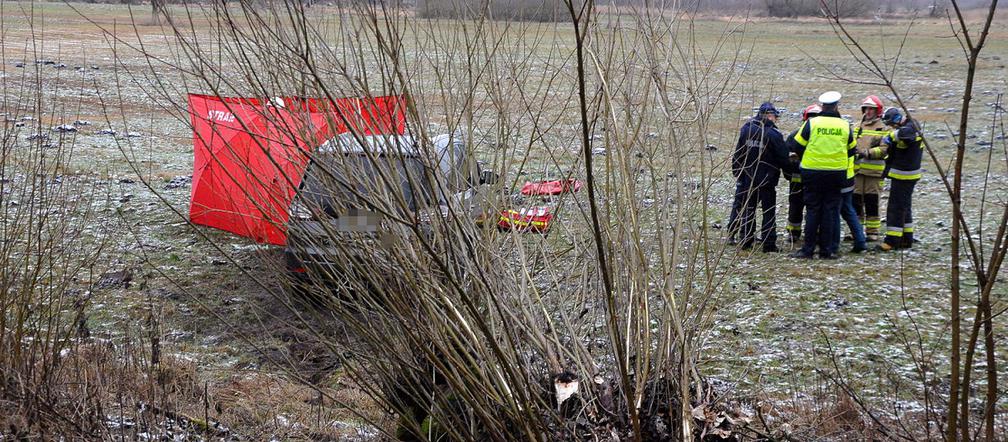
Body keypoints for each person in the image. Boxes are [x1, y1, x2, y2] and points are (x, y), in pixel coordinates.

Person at [788, 91, 856, 259]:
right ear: (836, 106)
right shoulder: (844, 125)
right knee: (829, 211)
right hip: (836, 173)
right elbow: (851, 149)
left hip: (812, 172)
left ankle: (808, 249)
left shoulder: (812, 123)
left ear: (823, 106)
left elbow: (796, 144)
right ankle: (827, 250)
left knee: (813, 210)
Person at [728, 102, 789, 252]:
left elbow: (739, 153)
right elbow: (783, 158)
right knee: (768, 211)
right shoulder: (774, 135)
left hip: (748, 177)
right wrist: (790, 172)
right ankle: (769, 244)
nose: (776, 120)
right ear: (769, 115)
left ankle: (746, 240)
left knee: (748, 209)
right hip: (767, 180)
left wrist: (737, 171)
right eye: (775, 117)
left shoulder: (746, 130)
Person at [870, 107, 923, 251]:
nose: (891, 127)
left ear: (896, 120)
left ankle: (892, 241)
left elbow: (906, 135)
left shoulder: (910, 127)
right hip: (905, 174)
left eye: (892, 124)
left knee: (895, 208)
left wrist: (889, 137)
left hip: (904, 175)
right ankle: (906, 238)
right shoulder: (910, 125)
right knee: (905, 207)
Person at [852, 95, 889, 241]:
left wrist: (867, 153)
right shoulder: (855, 127)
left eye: (871, 109)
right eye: (866, 108)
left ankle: (872, 231)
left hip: (874, 173)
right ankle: (855, 230)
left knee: (872, 201)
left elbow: (885, 149)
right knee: (855, 202)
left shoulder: (884, 128)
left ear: (877, 111)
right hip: (857, 171)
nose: (868, 112)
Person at [783, 104, 821, 244]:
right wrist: (789, 174)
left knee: (814, 208)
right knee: (795, 207)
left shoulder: (820, 138)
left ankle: (814, 232)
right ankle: (793, 232)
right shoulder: (794, 136)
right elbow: (785, 158)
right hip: (798, 180)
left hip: (814, 181)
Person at [834, 142, 868, 254]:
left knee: (834, 212)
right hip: (849, 179)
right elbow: (857, 158)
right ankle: (860, 241)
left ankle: (833, 244)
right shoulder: (847, 134)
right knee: (848, 210)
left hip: (836, 179)